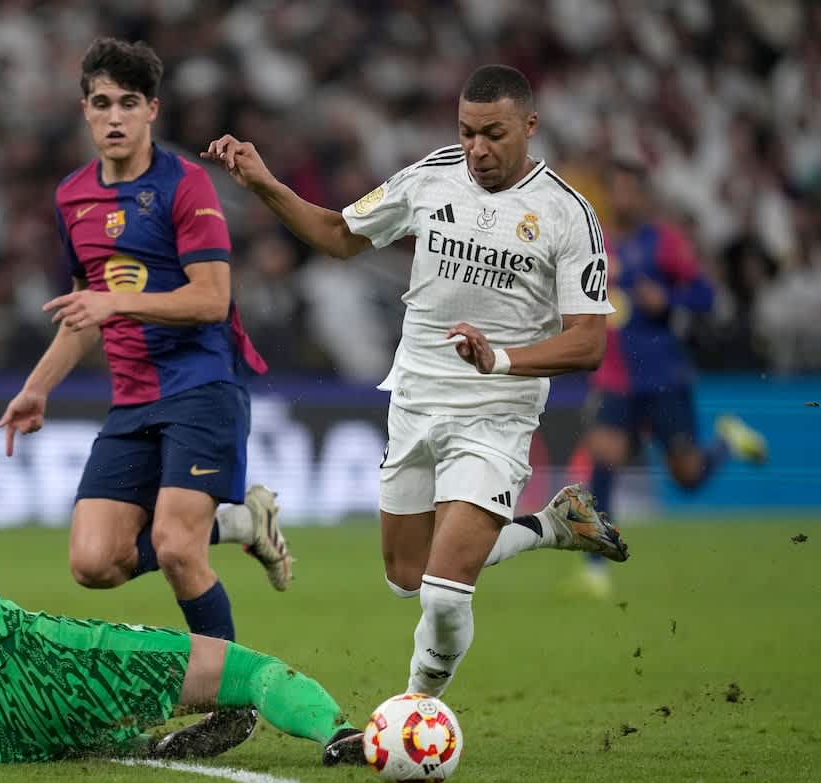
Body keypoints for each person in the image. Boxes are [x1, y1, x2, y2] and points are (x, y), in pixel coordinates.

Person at [204, 64, 629, 710]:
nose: (478, 149)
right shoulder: (431, 177)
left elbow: (590, 341)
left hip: (497, 413)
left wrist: (504, 361)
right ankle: (551, 526)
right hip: (415, 400)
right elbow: (338, 236)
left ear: (530, 127)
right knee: (406, 576)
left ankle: (412, 711)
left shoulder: (568, 216)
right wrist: (264, 184)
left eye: (494, 134)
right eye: (467, 133)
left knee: (443, 592)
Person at [0, 394, 364, 765]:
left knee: (110, 745)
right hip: (28, 663)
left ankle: (142, 746)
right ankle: (342, 737)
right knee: (248, 669)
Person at [0, 38, 290, 657]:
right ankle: (240, 522)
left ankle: (226, 702)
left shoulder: (188, 186)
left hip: (202, 387)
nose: (114, 117)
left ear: (152, 110)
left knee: (179, 549)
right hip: (133, 402)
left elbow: (211, 299)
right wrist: (36, 388)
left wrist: (116, 302)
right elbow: (83, 313)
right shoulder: (72, 197)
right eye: (101, 103)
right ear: (84, 110)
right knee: (94, 562)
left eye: (128, 103)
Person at [577, 159, 767, 597]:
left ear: (642, 196)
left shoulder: (662, 242)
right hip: (615, 377)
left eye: (630, 190)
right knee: (602, 458)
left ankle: (727, 442)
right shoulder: (595, 242)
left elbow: (705, 295)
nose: (623, 198)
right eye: (616, 189)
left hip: (663, 376)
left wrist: (668, 298)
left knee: (687, 478)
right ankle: (595, 571)